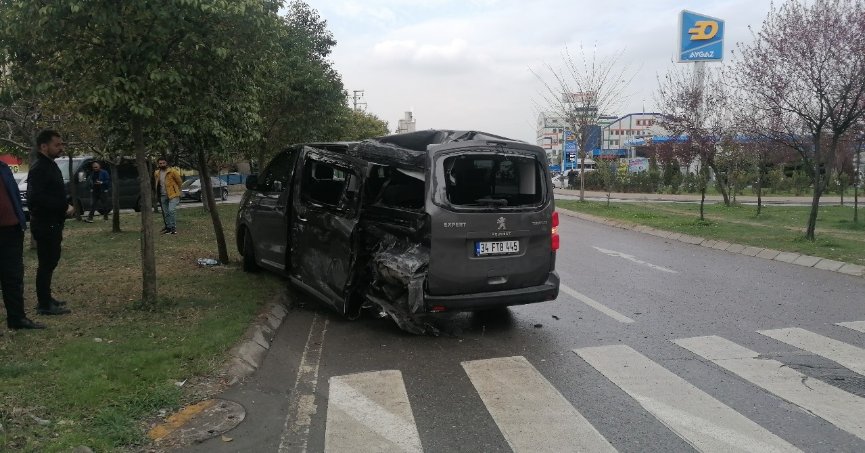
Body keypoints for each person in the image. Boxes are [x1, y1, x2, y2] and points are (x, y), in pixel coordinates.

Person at [26, 129, 73, 315]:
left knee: (51, 260)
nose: (61, 148)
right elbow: (35, 199)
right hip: (45, 223)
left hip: (53, 221)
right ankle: (44, 304)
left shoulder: (49, 165)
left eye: (61, 144)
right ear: (44, 146)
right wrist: (63, 206)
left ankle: (46, 297)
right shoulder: (39, 168)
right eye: (57, 145)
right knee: (46, 262)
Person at [0, 160, 44, 330]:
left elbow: (14, 196)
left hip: (11, 231)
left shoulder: (3, 168)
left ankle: (17, 319)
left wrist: (20, 222)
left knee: (13, 277)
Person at [153, 157, 182, 234]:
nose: (162, 165)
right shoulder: (156, 173)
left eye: (163, 163)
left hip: (173, 194)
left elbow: (179, 181)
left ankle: (173, 227)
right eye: (160, 163)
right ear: (158, 164)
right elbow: (157, 183)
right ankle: (168, 227)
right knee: (165, 212)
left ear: (166, 163)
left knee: (171, 210)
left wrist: (178, 191)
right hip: (162, 195)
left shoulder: (173, 171)